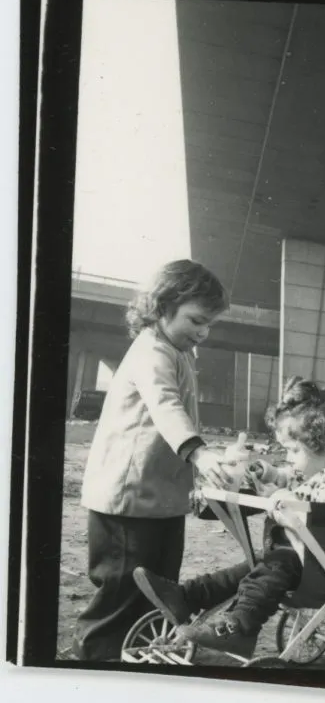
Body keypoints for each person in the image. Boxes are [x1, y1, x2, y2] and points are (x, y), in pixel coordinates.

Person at [132, 377, 325, 658]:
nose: (290, 458)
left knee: (267, 570)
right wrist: (272, 474)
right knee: (249, 569)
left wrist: (288, 504)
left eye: (294, 450)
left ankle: (240, 629)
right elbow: (300, 476)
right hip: (306, 557)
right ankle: (188, 596)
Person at [72, 259, 231, 661]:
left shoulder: (178, 352)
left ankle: (139, 650)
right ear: (163, 306)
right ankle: (93, 657)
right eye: (196, 320)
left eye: (209, 324)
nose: (203, 332)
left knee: (159, 584)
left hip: (159, 498)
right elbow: (165, 405)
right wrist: (198, 451)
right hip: (128, 497)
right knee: (124, 586)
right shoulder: (152, 351)